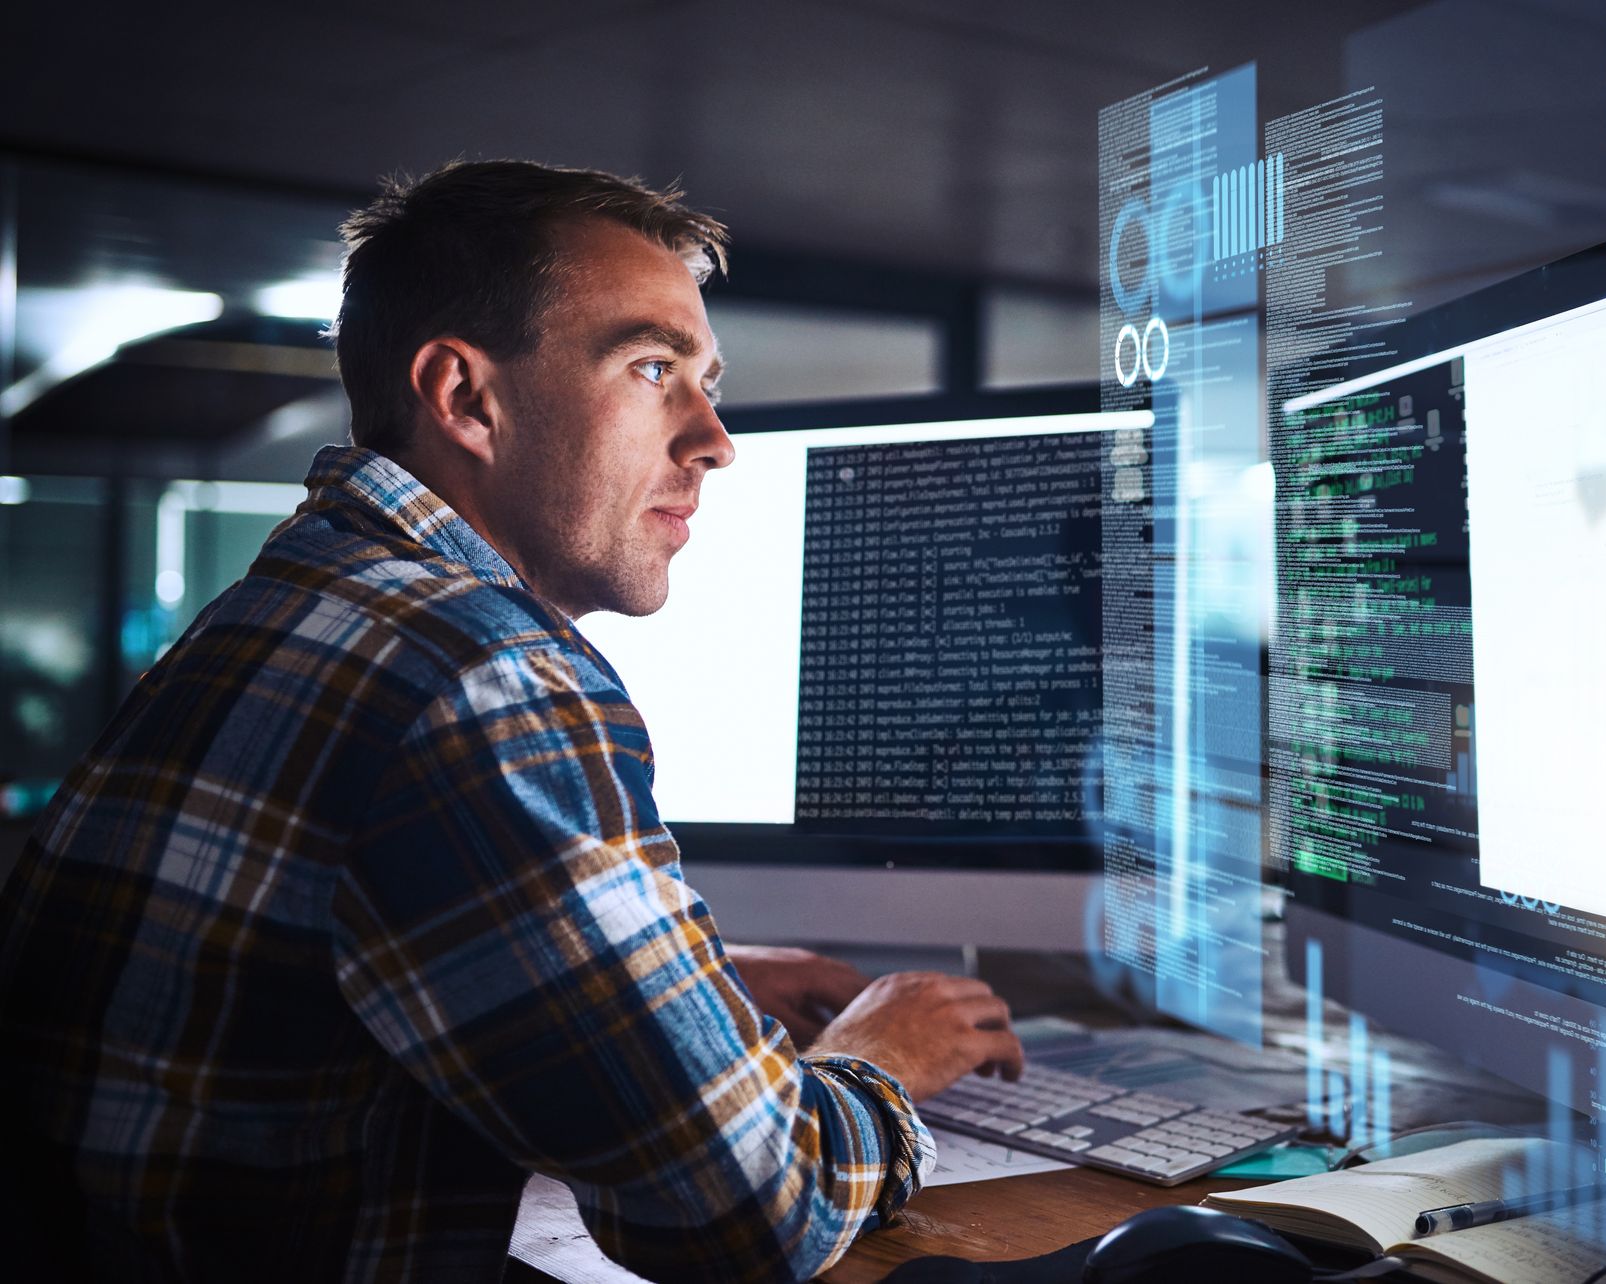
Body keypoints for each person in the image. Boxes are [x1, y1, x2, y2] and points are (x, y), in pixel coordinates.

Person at [0, 160, 1024, 1283]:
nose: (715, 440)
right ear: (465, 397)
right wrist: (878, 1053)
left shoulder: (289, 608)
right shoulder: (484, 675)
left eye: (708, 380)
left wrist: (692, 982)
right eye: (653, 368)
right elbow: (749, 1210)